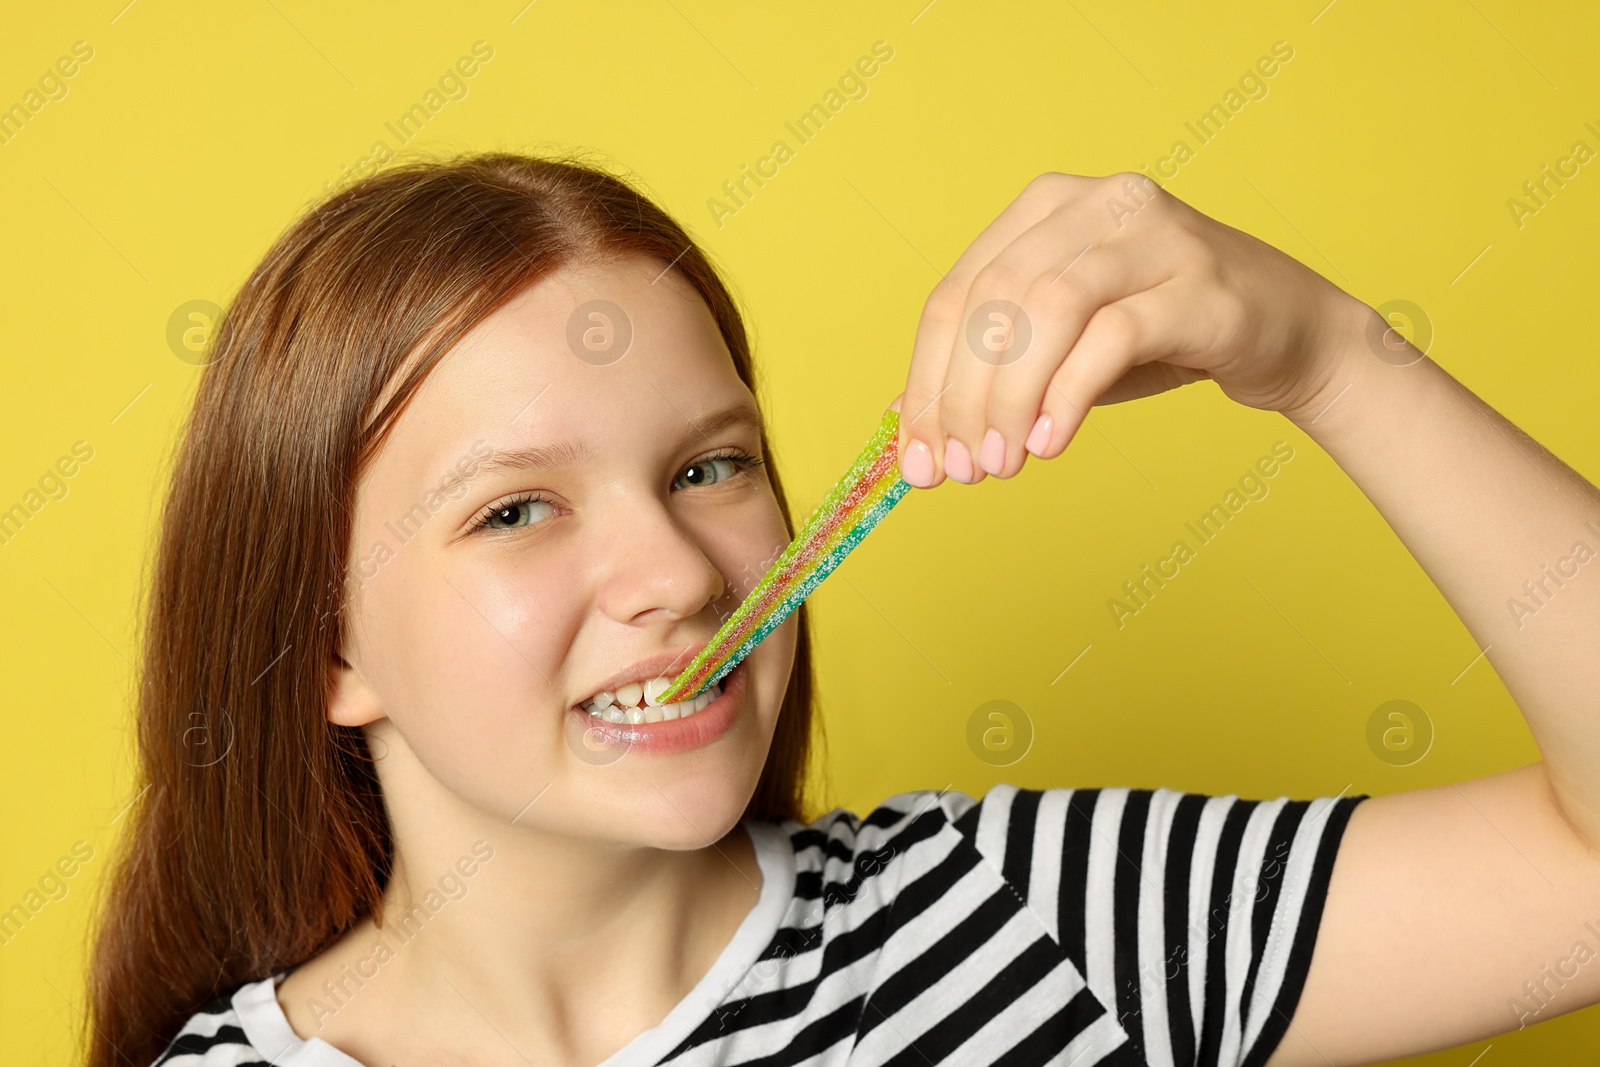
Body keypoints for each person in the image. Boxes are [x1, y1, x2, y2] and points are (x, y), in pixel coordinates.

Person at [85, 152, 1600, 1067]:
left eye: (709, 466)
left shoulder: (1025, 922)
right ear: (332, 647)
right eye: (516, 508)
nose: (680, 574)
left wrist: (1326, 358)